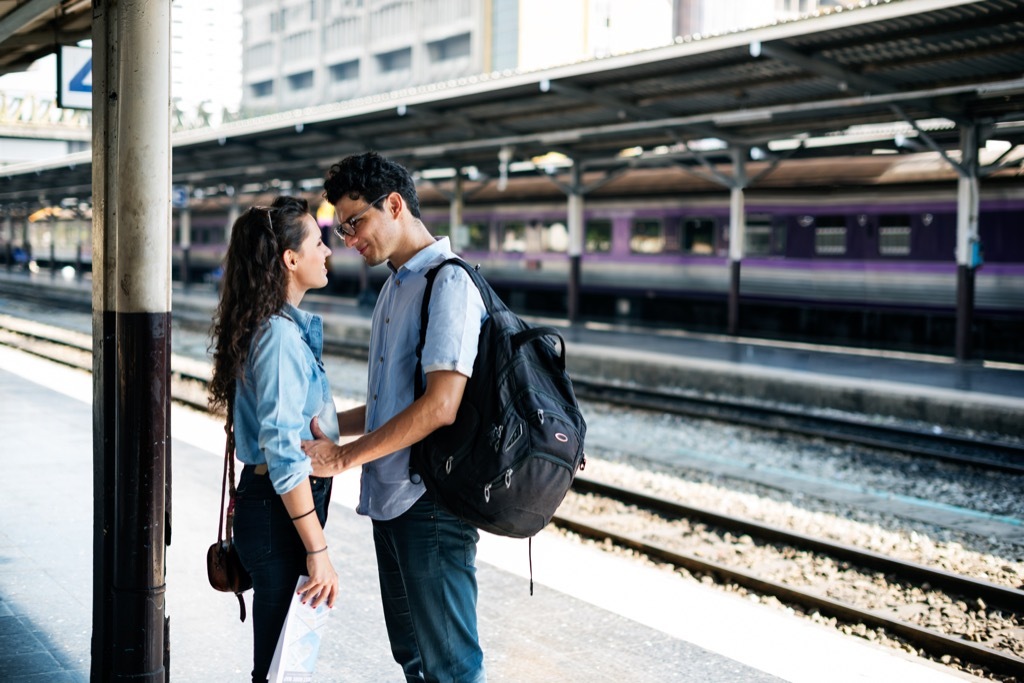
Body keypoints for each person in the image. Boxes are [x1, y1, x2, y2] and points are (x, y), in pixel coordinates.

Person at [303, 151, 488, 683]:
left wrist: (342, 457)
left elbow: (440, 405)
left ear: (395, 204)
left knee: (451, 667)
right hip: (392, 501)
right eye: (339, 229)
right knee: (414, 658)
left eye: (355, 222)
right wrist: (332, 427)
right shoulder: (396, 284)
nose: (348, 238)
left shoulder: (447, 283)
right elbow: (392, 403)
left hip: (429, 501)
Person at [208, 196, 341, 683]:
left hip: (269, 509)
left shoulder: (271, 328)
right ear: (290, 259)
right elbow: (285, 455)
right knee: (280, 666)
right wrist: (318, 549)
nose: (327, 252)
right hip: (280, 513)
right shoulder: (281, 339)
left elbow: (302, 420)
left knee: (281, 658)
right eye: (319, 243)